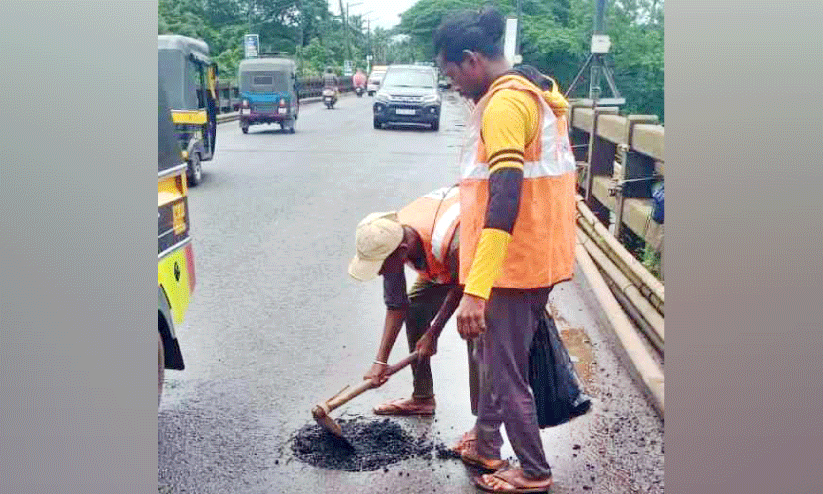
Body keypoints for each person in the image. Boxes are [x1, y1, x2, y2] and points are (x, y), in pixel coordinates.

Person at [434, 7, 577, 493]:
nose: (452, 84)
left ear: (472, 60)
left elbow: (504, 200)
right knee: (497, 356)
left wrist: (477, 289)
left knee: (506, 370)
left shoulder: (503, 105)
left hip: (514, 264)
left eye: (451, 73)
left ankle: (534, 471)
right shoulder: (532, 89)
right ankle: (487, 444)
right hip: (539, 254)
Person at [348, 187, 480, 443]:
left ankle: (483, 428)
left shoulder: (449, 241)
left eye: (380, 267)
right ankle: (422, 397)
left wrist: (433, 334)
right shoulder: (389, 240)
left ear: (402, 251)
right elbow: (396, 305)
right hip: (443, 263)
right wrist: (380, 362)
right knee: (416, 309)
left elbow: (462, 285)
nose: (378, 273)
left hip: (477, 259)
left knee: (474, 330)